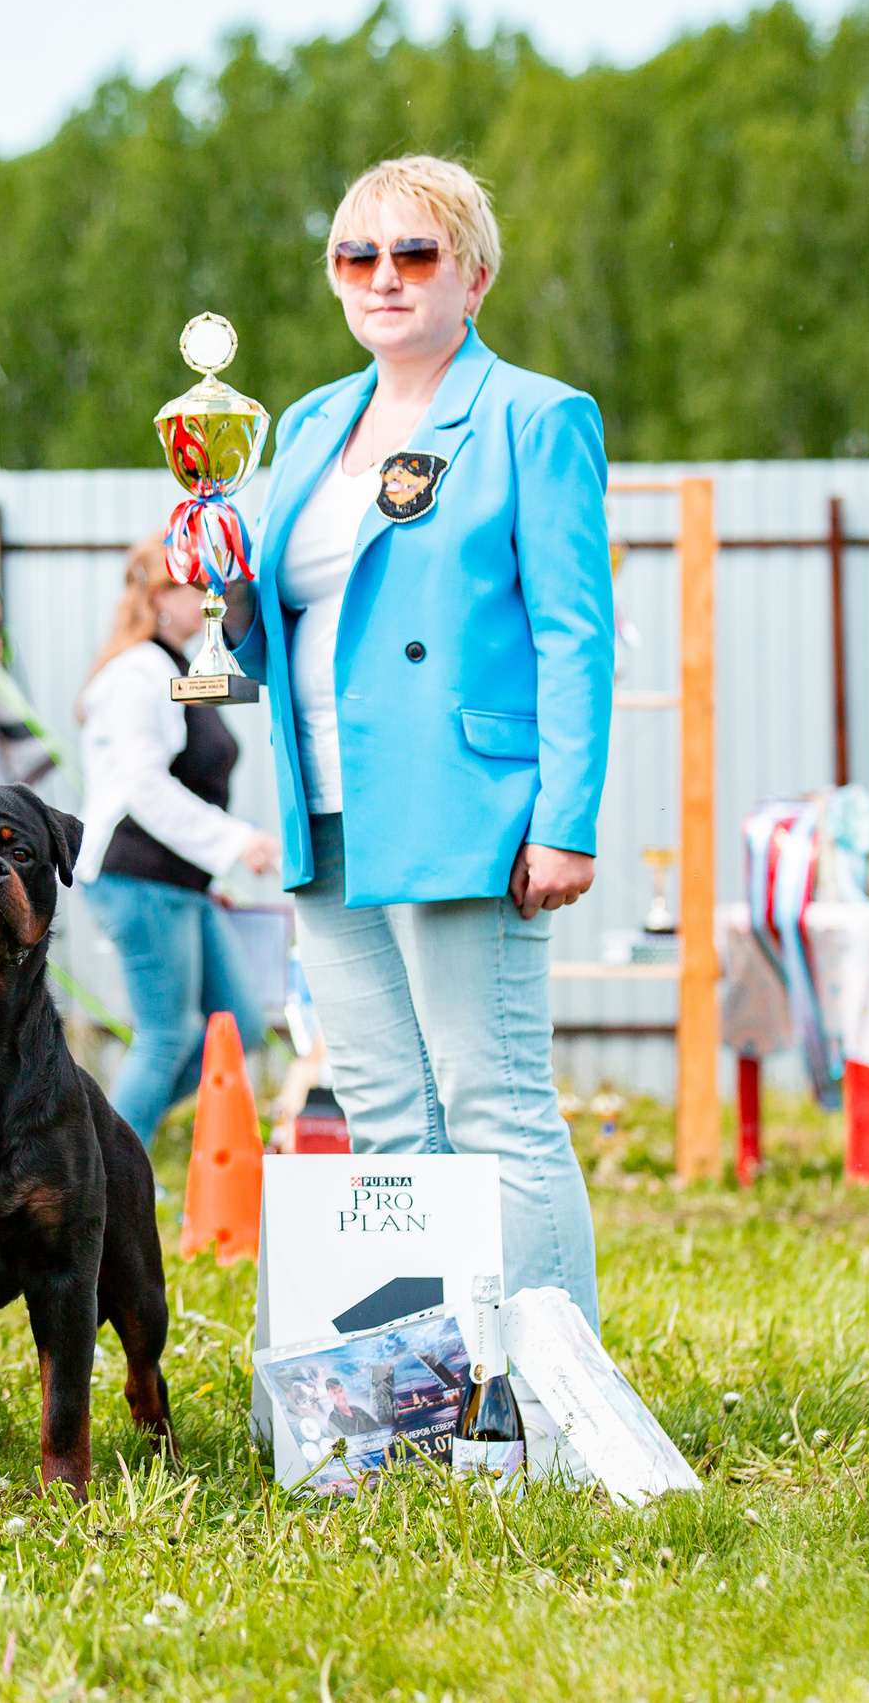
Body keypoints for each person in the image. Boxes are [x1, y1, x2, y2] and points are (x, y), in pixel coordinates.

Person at [231, 156, 613, 1329]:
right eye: (359, 256)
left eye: (415, 254)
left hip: (468, 806)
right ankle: (440, 1384)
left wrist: (566, 822)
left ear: (475, 276)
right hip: (325, 804)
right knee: (387, 1108)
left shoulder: (534, 417)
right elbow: (273, 634)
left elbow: (575, 632)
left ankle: (553, 1397)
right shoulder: (301, 425)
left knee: (493, 1100)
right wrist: (225, 592)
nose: (384, 278)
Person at [73, 534, 273, 1143]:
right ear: (161, 596)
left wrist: (209, 873)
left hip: (180, 882)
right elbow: (145, 789)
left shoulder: (174, 665)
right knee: (169, 1036)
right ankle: (109, 1169)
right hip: (137, 876)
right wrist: (236, 842)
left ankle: (110, 1142)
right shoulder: (140, 673)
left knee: (239, 1025)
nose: (216, 595)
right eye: (199, 585)